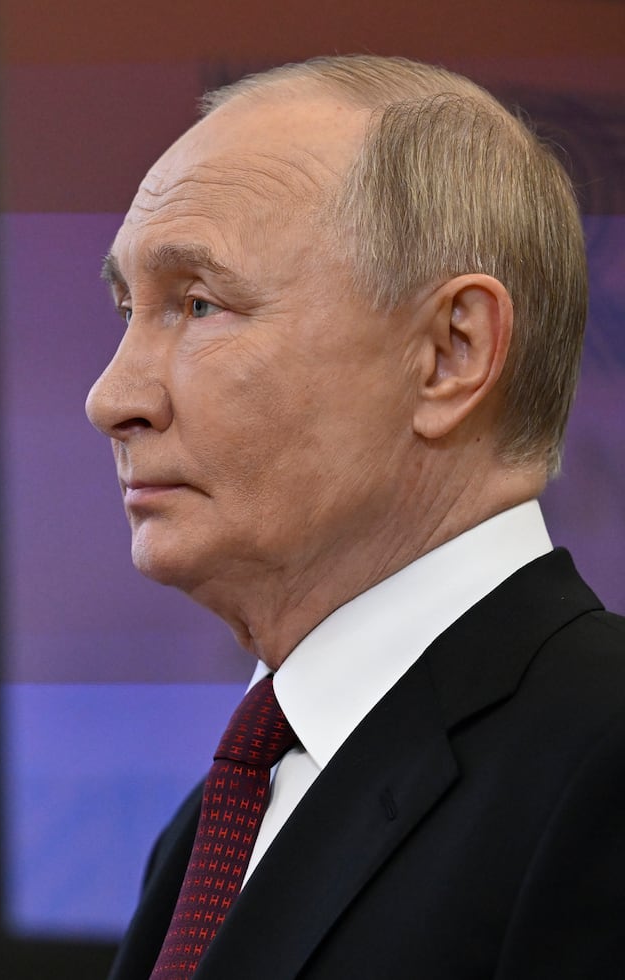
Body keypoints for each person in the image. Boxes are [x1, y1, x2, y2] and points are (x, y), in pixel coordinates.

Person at [88, 55, 625, 979]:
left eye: (199, 303)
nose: (111, 396)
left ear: (452, 353)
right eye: (127, 308)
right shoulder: (212, 825)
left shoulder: (606, 759)